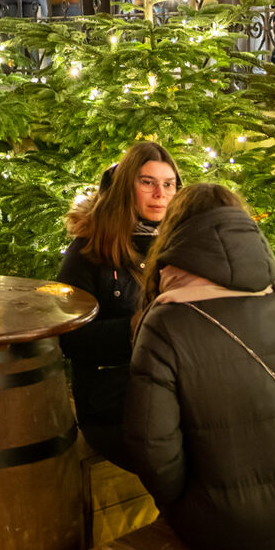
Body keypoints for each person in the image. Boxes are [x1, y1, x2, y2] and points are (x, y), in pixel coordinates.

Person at [124, 183, 275, 550]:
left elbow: (153, 447)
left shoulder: (166, 321)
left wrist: (178, 500)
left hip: (225, 528)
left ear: (176, 235)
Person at [55, 143, 180, 468]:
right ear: (126, 186)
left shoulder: (180, 246)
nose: (160, 194)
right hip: (113, 403)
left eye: (168, 184)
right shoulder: (88, 250)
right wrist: (133, 328)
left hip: (178, 395)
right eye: (147, 182)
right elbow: (69, 338)